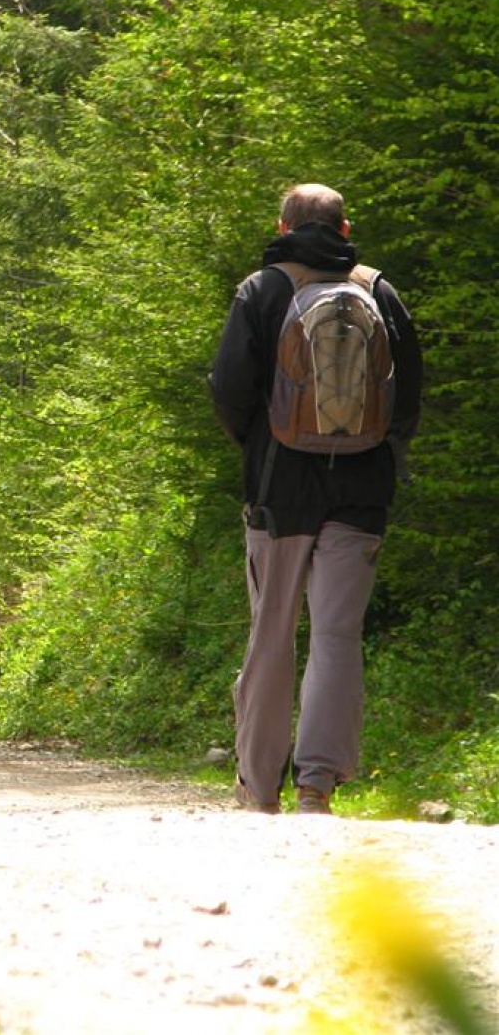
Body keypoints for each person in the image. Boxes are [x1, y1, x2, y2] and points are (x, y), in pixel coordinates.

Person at [209, 183, 422, 815]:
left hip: (279, 488)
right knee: (336, 635)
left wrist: (262, 444)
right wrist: (376, 451)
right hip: (361, 490)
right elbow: (406, 399)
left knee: (272, 632)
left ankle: (258, 788)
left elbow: (228, 389)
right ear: (346, 228)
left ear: (282, 224)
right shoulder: (378, 291)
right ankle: (317, 786)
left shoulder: (263, 289)